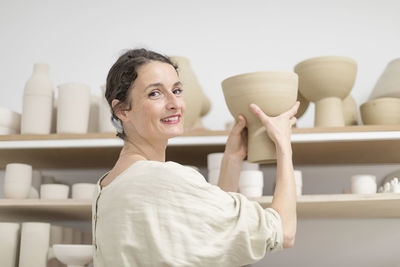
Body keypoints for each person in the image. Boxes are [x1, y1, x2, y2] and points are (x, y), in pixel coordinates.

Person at [92, 48, 299, 267]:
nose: (175, 103)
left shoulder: (105, 186)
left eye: (177, 90)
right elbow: (283, 231)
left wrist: (232, 159)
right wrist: (284, 147)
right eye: (155, 93)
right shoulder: (163, 179)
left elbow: (217, 236)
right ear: (122, 110)